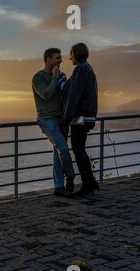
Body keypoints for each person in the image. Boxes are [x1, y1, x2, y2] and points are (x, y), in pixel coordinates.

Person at [32, 48, 75, 197]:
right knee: (62, 148)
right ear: (48, 59)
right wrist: (55, 78)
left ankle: (58, 187)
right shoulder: (38, 77)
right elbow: (46, 95)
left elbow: (68, 95)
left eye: (60, 58)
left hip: (61, 119)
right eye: (57, 58)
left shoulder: (61, 76)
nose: (61, 61)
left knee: (58, 153)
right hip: (47, 120)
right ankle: (70, 175)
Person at [62, 43, 99, 196]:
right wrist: (60, 78)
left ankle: (87, 186)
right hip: (88, 117)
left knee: (78, 149)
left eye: (70, 54)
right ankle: (91, 183)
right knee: (80, 148)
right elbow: (68, 87)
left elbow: (73, 96)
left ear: (75, 54)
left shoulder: (80, 69)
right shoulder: (87, 68)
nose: (69, 57)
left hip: (80, 118)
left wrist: (66, 118)